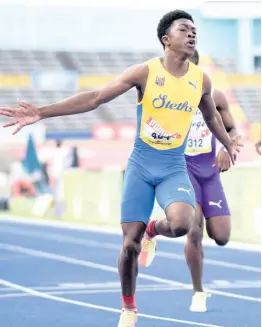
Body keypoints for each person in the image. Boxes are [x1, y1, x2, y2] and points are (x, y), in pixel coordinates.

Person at [0, 10, 240, 327]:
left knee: (183, 224)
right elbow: (96, 98)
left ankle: (153, 231)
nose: (192, 34)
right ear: (167, 40)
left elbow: (211, 117)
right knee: (129, 244)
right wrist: (42, 112)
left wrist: (227, 142)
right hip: (141, 166)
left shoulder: (201, 80)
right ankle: (128, 306)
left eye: (195, 30)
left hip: (172, 166)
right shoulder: (145, 72)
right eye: (184, 29)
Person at [139, 49, 242, 314]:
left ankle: (152, 229)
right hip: (182, 170)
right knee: (192, 230)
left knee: (221, 236)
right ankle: (198, 291)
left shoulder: (214, 97)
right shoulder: (165, 98)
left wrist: (226, 147)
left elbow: (233, 129)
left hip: (209, 172)